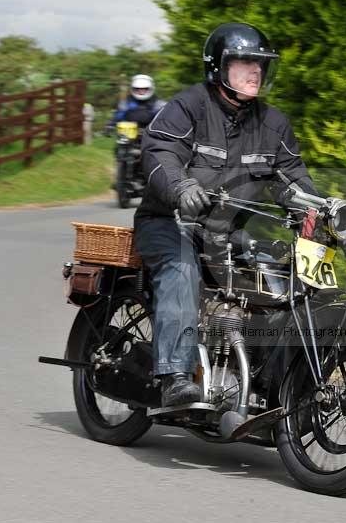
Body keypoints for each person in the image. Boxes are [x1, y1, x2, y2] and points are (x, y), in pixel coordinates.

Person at [134, 22, 319, 407]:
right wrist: (181, 187)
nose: (256, 71)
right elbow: (159, 153)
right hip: (169, 223)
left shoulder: (272, 124)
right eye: (245, 62)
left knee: (279, 281)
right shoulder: (188, 107)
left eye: (261, 64)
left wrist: (322, 206)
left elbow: (291, 177)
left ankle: (273, 389)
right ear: (218, 67)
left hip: (226, 233)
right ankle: (176, 376)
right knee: (182, 268)